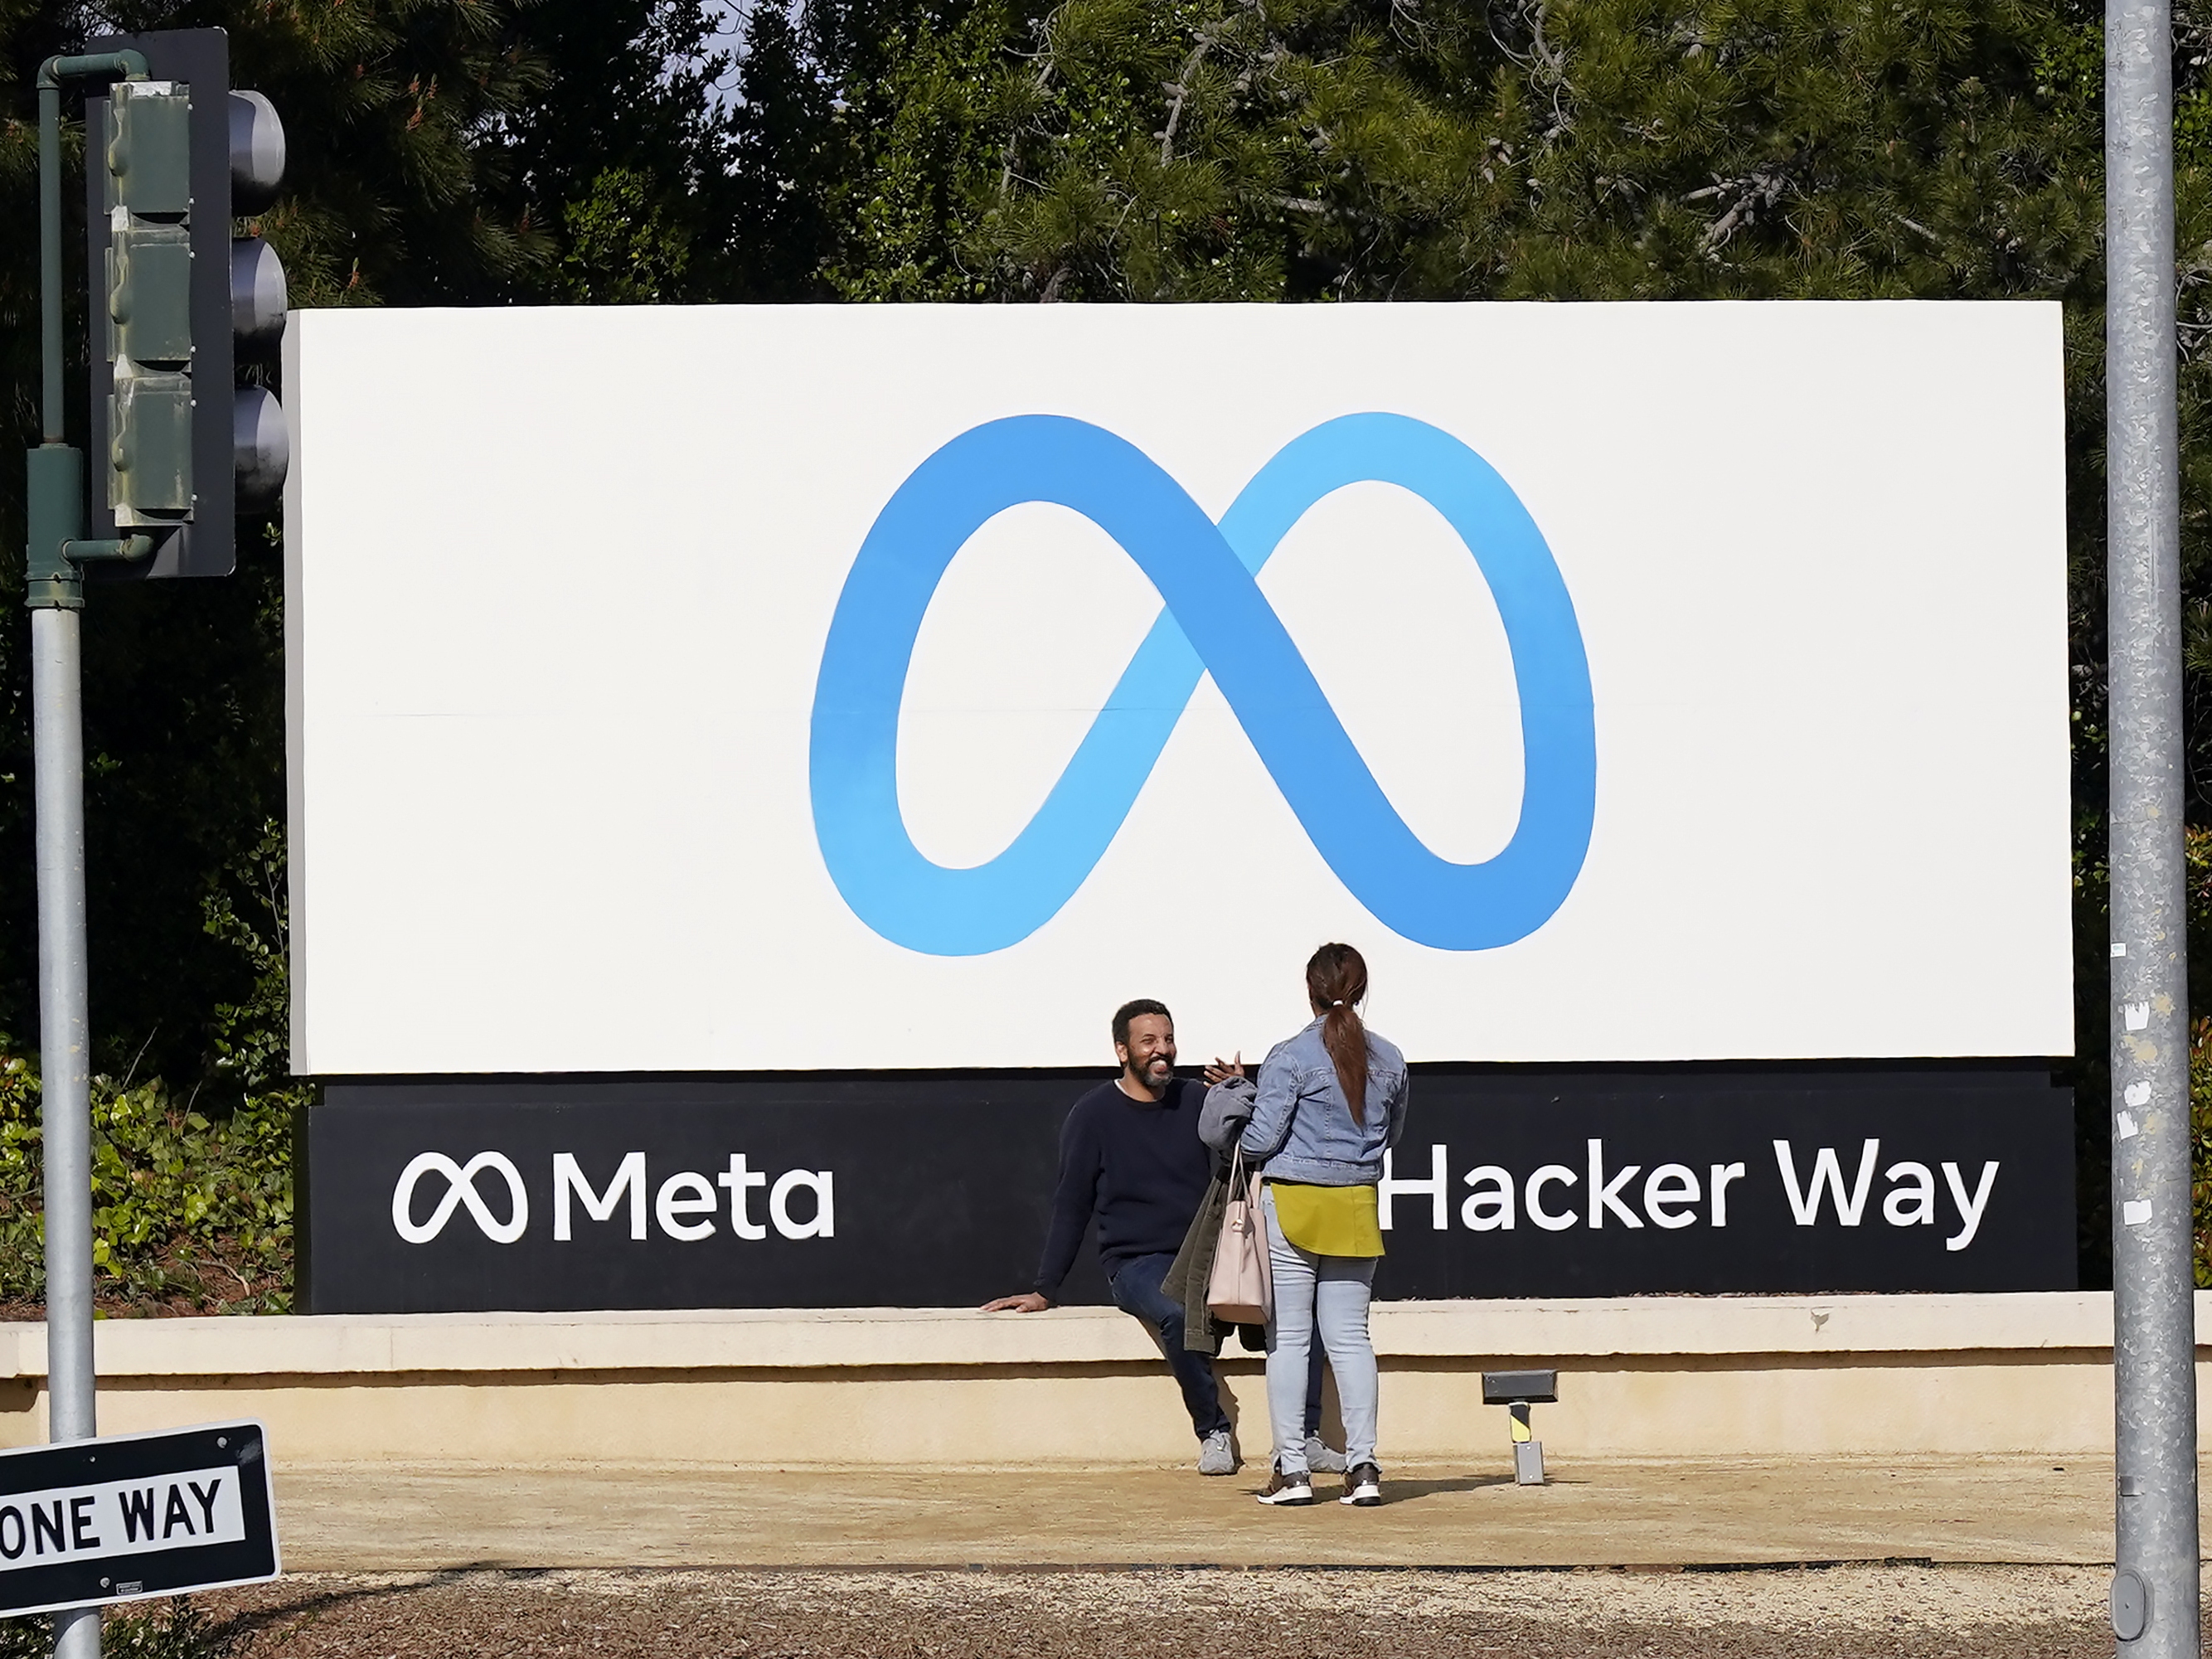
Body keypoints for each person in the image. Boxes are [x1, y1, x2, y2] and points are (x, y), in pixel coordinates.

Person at [984, 998, 1342, 1477]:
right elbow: (1072, 1203)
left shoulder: (1198, 1099)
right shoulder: (1093, 1114)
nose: (1163, 1051)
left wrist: (1240, 1094)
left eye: (1168, 1039)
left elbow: (1255, 1148)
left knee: (1298, 1306)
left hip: (1216, 1251)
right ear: (1122, 1051)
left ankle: (1305, 1438)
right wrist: (1045, 1289)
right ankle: (1213, 1431)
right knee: (1176, 1311)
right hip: (1138, 1262)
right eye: (1149, 1041)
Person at [1205, 943, 1408, 1507]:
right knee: (1351, 1338)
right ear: (1362, 989)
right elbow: (1391, 1136)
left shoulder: (1290, 1055)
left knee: (1289, 1339)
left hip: (1292, 1204)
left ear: (1309, 988)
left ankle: (1292, 1472)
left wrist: (1232, 1100)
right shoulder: (1390, 1058)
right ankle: (1363, 1467)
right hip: (1356, 1207)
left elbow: (1262, 1139)